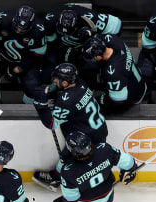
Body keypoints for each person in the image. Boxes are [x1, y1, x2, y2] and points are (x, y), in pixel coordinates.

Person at [32, 63, 108, 191]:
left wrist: (40, 106)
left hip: (87, 136)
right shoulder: (81, 84)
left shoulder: (66, 100)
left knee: (72, 159)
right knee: (67, 155)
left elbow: (51, 124)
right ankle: (56, 176)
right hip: (97, 130)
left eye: (57, 79)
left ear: (66, 83)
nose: (54, 81)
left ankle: (63, 181)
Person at [53, 131, 137, 202]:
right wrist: (129, 172)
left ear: (73, 152)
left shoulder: (68, 171)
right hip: (106, 197)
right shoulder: (104, 149)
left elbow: (71, 199)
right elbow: (129, 163)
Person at [42, 3, 122, 88]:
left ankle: (88, 89)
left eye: (68, 32)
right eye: (62, 32)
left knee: (91, 66)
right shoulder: (50, 20)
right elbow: (49, 43)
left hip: (88, 43)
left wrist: (95, 38)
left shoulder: (91, 18)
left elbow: (118, 27)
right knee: (58, 65)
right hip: (63, 46)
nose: (65, 35)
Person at [0, 5, 47, 103]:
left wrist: (20, 68)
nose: (19, 30)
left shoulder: (39, 30)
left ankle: (26, 107)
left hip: (26, 60)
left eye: (23, 29)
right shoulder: (2, 19)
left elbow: (38, 54)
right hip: (2, 56)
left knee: (32, 85)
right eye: (18, 27)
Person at [81, 35, 148, 113]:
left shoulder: (112, 74)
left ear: (98, 55)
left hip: (134, 94)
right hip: (136, 77)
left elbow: (118, 101)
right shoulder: (114, 40)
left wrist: (97, 99)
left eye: (93, 57)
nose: (93, 59)